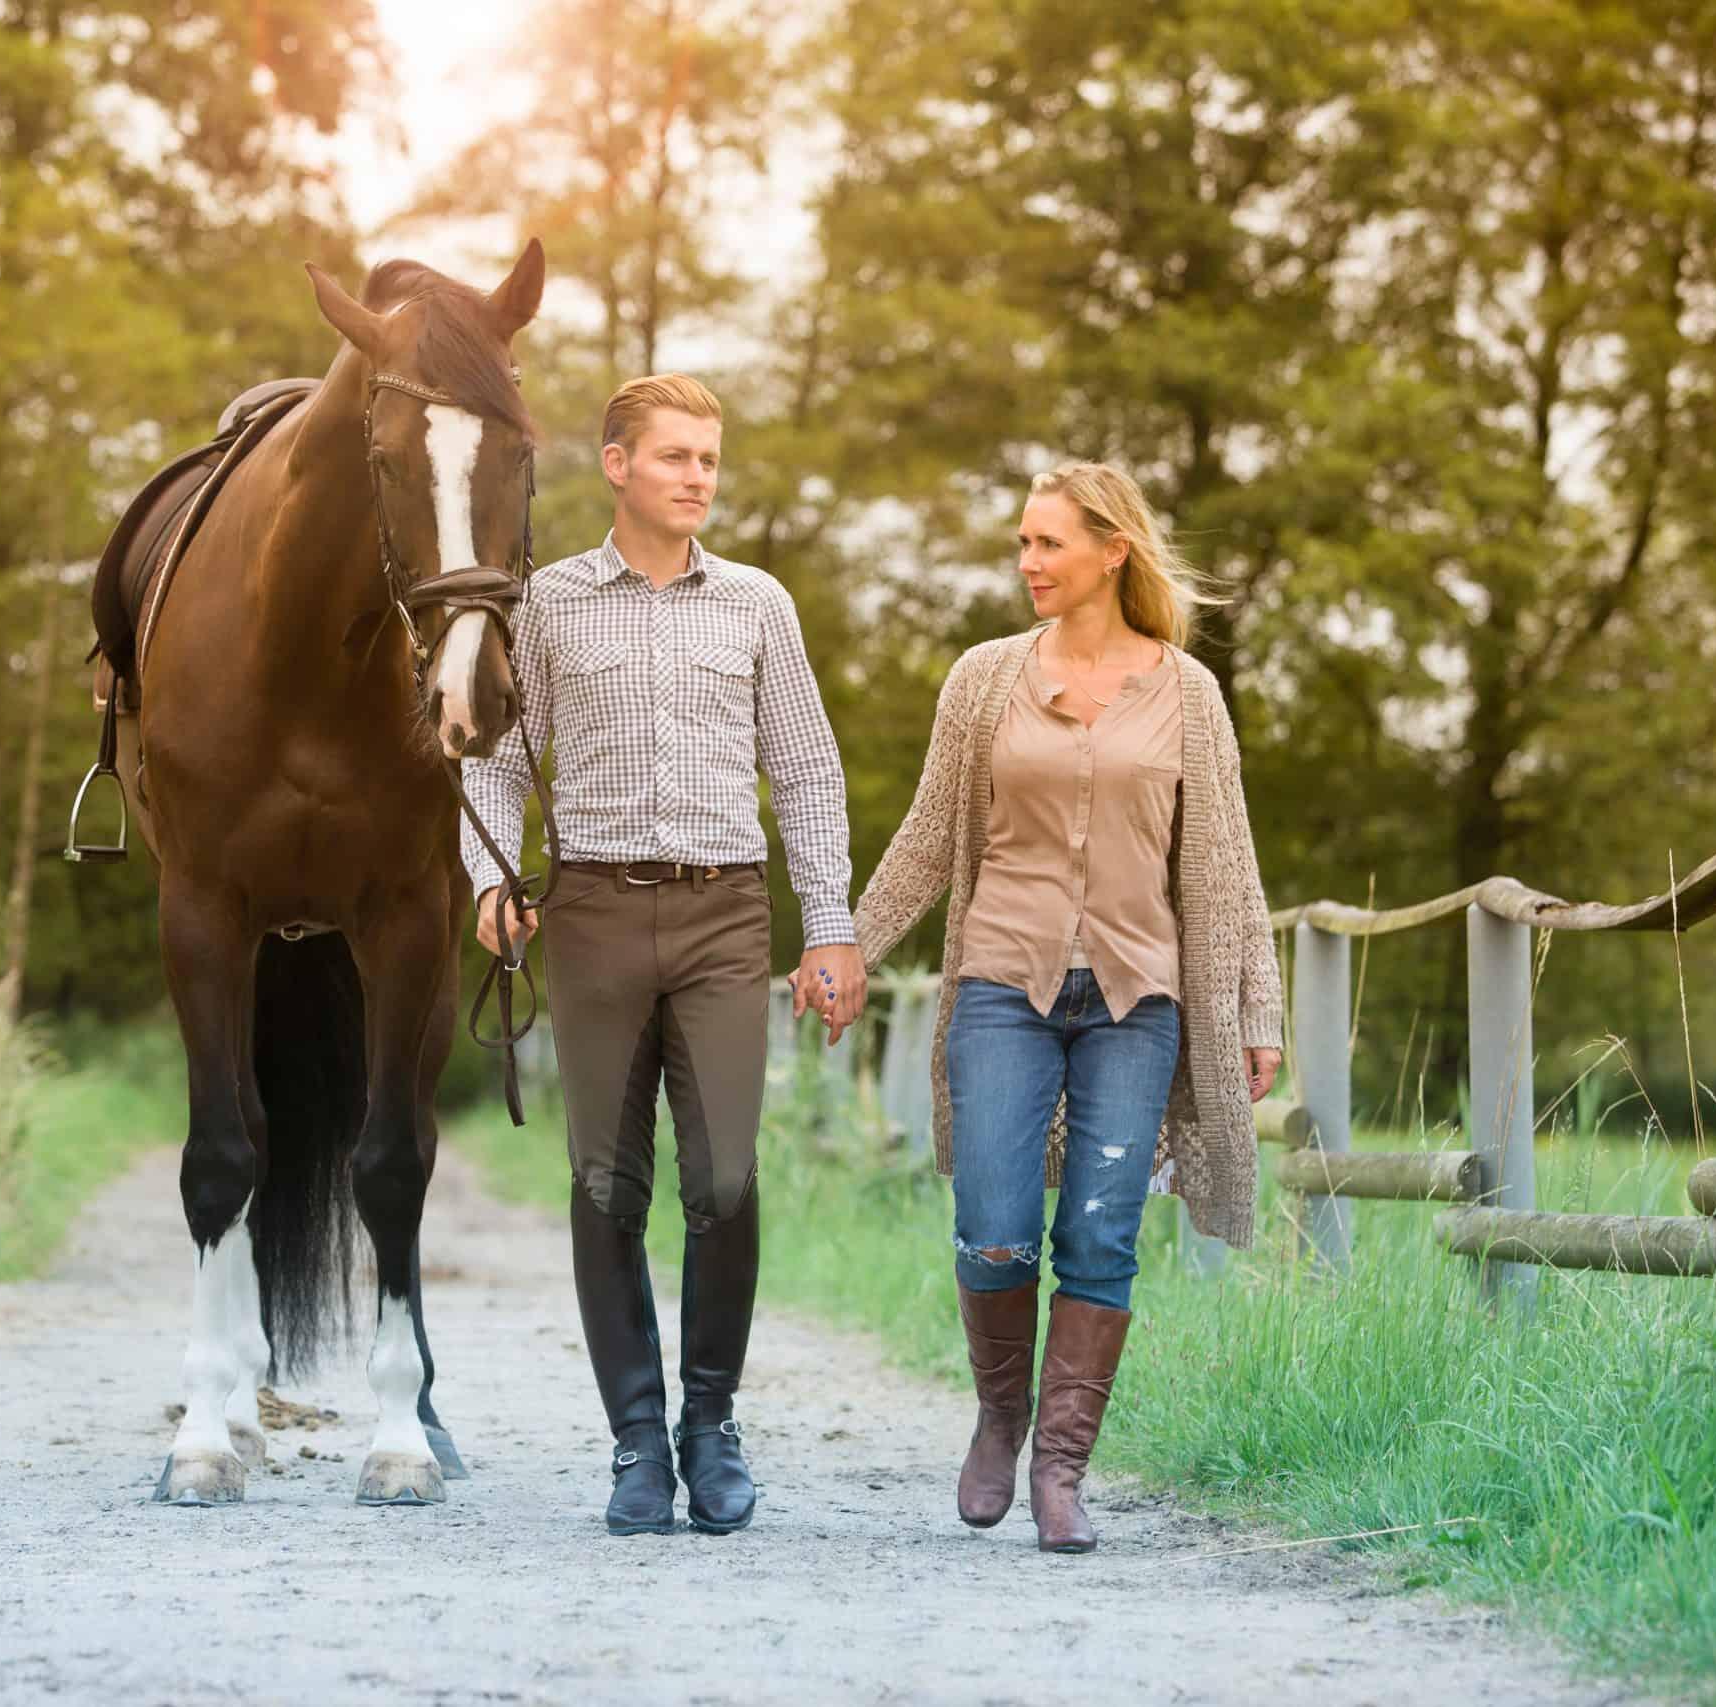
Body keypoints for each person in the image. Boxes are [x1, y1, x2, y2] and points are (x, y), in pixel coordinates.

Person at [844, 461, 1283, 1553]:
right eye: (1023, 543)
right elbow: (928, 834)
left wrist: (1253, 1008)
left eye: (1048, 544)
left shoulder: (1187, 692)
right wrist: (847, 942)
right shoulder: (985, 679)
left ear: (1111, 552)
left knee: (1100, 1233)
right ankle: (1000, 1419)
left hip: (1138, 999)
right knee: (994, 1230)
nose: (1028, 562)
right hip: (1002, 984)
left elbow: (1225, 861)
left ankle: (1060, 1469)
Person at [460, 374, 866, 1536]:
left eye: (709, 459)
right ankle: (636, 1445)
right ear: (617, 464)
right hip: (588, 912)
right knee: (604, 1183)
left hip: (722, 915)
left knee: (724, 1178)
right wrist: (491, 875)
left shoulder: (756, 605)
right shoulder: (543, 606)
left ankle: (710, 1425)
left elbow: (806, 769)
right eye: (677, 456)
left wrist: (828, 921)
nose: (698, 476)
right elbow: (495, 759)